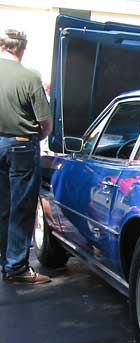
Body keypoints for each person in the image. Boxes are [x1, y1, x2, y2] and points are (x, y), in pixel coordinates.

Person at [0, 29, 52, 284]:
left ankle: (5, 263)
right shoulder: (29, 77)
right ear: (22, 48)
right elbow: (45, 122)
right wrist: (38, 139)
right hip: (21, 146)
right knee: (21, 208)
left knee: (3, 207)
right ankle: (17, 268)